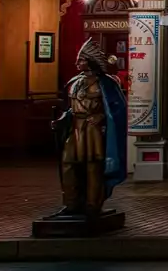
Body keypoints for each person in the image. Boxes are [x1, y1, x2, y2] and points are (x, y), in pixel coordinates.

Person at [53, 38, 128, 218]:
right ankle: (71, 203)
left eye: (81, 60)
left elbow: (118, 108)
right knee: (68, 164)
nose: (77, 63)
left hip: (93, 131)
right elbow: (71, 108)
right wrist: (62, 119)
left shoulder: (107, 83)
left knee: (93, 166)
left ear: (90, 61)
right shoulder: (75, 82)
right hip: (76, 128)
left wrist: (101, 116)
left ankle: (93, 204)